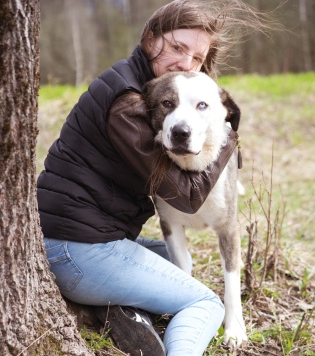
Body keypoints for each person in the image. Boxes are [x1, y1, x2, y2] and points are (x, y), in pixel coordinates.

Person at [37, 1, 257, 355]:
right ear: (150, 39)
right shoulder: (129, 102)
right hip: (78, 252)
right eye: (177, 47)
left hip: (70, 241)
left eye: (197, 58)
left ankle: (122, 310)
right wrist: (228, 138)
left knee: (173, 262)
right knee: (205, 302)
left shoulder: (146, 88)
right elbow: (185, 197)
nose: (186, 63)